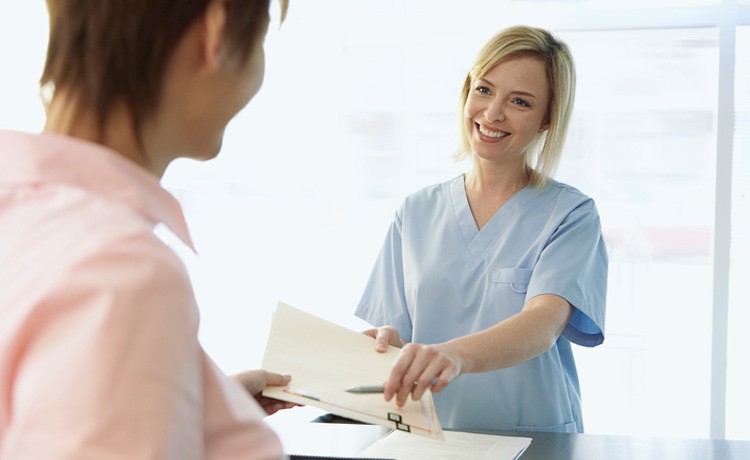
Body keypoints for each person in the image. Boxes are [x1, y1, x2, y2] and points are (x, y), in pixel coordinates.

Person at [0, 0, 294, 458]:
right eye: (258, 40)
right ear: (215, 30)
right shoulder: (121, 274)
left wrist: (197, 402)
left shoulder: (23, 212)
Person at [355, 25, 608, 433]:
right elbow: (400, 334)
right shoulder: (415, 212)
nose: (492, 114)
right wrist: (386, 343)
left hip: (534, 440)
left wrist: (454, 355)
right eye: (484, 90)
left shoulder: (571, 215)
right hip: (426, 439)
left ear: (547, 118)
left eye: (520, 101)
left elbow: (544, 322)